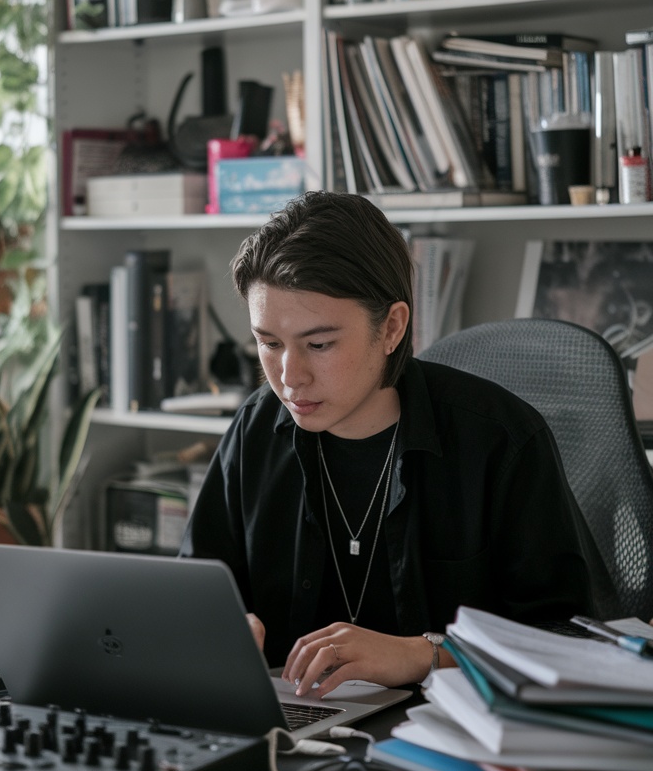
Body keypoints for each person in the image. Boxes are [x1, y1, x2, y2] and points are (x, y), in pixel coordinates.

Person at [183, 191, 617, 700]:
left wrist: (423, 655)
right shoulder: (255, 430)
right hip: (293, 722)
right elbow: (195, 592)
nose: (288, 376)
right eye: (269, 343)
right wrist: (218, 628)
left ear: (391, 327)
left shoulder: (501, 441)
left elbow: (570, 639)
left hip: (451, 733)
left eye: (319, 345)